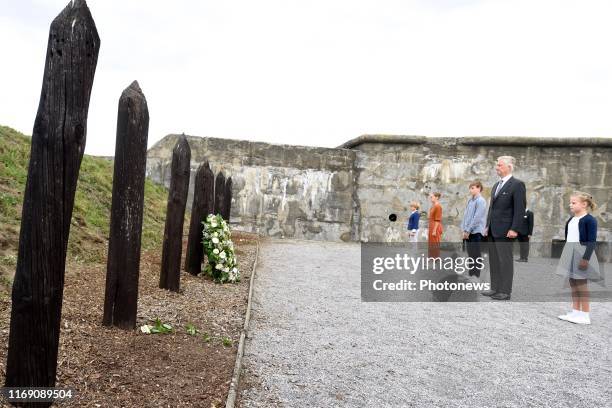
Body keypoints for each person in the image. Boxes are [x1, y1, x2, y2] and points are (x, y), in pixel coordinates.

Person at [482, 156, 526, 301]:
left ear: (509, 167)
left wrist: (514, 229)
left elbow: (520, 209)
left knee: (505, 261)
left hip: (506, 231)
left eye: (500, 165)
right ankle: (495, 288)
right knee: (494, 260)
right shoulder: (496, 185)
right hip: (493, 230)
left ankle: (505, 291)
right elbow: (492, 208)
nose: (497, 167)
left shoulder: (517, 185)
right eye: (497, 165)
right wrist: (487, 226)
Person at [557, 192, 599, 325]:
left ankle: (585, 315)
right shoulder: (571, 219)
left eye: (573, 203)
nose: (570, 205)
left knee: (581, 284)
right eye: (570, 202)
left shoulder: (590, 220)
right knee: (572, 282)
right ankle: (575, 311)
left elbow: (592, 242)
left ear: (584, 204)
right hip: (570, 252)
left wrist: (585, 259)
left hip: (582, 254)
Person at [461, 181, 487, 278]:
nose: (470, 190)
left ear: (479, 188)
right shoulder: (470, 201)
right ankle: (471, 274)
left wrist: (468, 230)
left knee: (476, 254)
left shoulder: (481, 201)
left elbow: (477, 218)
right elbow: (465, 216)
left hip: (476, 232)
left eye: (472, 188)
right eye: (470, 188)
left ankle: (476, 276)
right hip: (468, 232)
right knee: (470, 254)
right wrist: (464, 229)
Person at [428, 192, 443, 258]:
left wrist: (434, 230)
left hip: (435, 226)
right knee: (431, 242)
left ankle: (435, 258)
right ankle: (432, 257)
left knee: (434, 242)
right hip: (432, 225)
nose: (431, 198)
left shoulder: (438, 206)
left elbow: (437, 219)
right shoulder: (433, 206)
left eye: (432, 197)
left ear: (436, 197)